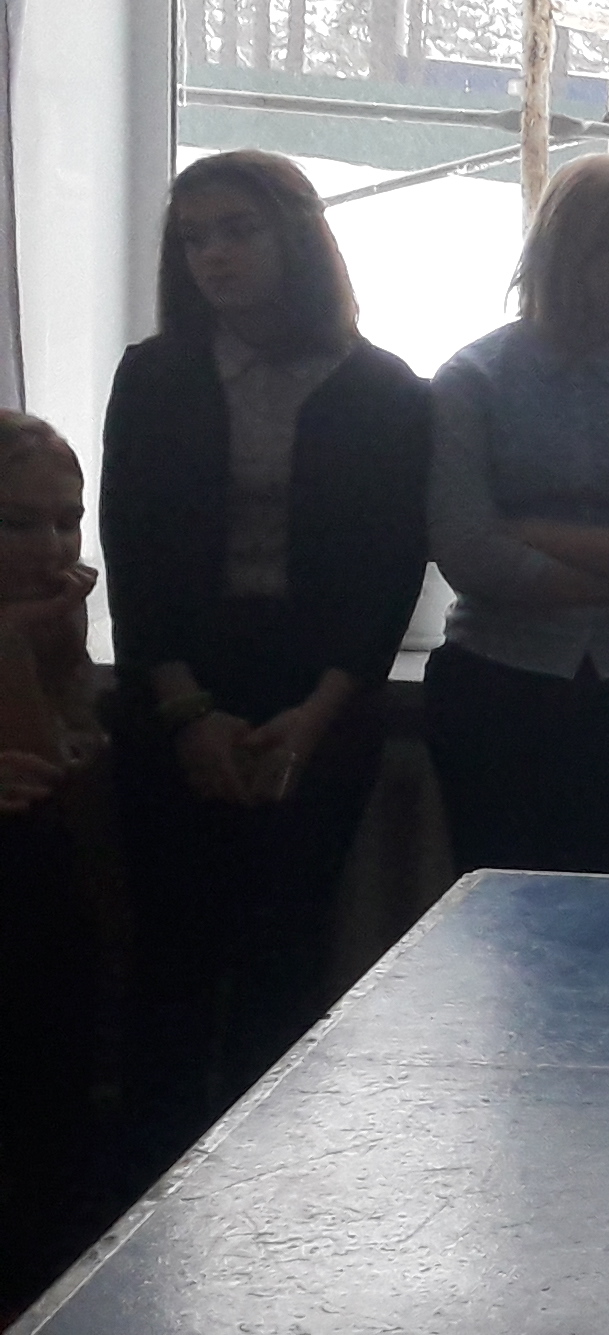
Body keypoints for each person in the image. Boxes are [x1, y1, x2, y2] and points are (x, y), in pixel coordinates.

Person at [98, 153, 431, 1144]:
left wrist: (313, 720)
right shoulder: (155, 376)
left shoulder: (386, 390)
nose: (214, 256)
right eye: (194, 238)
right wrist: (186, 713)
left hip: (318, 699)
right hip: (177, 693)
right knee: (170, 966)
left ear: (297, 235)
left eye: (237, 230)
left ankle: (260, 1193)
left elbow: (388, 573)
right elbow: (133, 554)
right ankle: (143, 1199)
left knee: (283, 963)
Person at [422, 157, 609, 877]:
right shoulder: (472, 380)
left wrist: (530, 532)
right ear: (569, 242)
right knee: (499, 908)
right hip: (496, 677)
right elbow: (468, 554)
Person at [0, 412, 121, 1313]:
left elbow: (52, 767)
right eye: (17, 523)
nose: (50, 547)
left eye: (67, 521)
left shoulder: (47, 615)